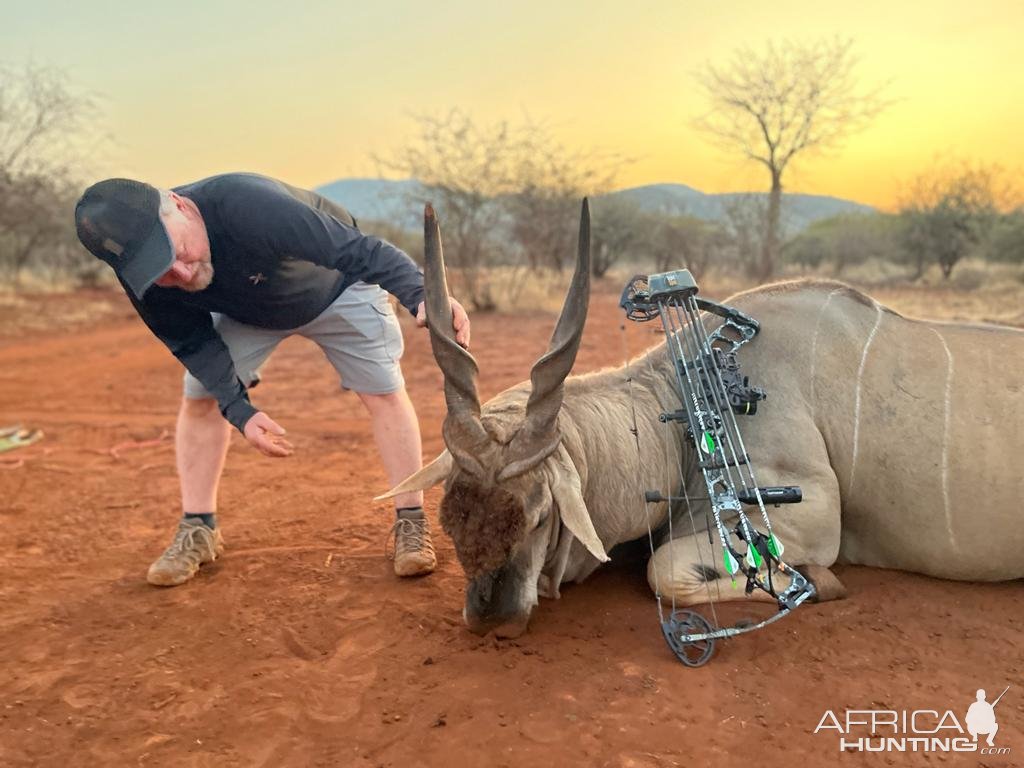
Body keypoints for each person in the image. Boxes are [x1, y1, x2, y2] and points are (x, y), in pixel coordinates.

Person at [74, 172, 470, 586]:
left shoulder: (250, 205)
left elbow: (362, 251)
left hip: (337, 289)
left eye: (175, 250)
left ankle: (411, 519)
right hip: (250, 315)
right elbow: (193, 344)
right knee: (201, 398)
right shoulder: (140, 273)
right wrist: (240, 410)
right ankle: (199, 527)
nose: (180, 273)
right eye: (160, 271)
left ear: (179, 204)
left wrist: (421, 293)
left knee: (383, 391)